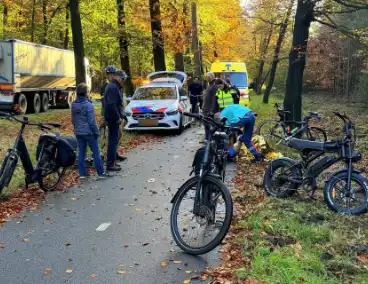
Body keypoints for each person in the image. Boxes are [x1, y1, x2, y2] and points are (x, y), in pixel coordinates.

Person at [71, 83, 110, 179]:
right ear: (86, 93)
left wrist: (76, 128)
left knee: (81, 153)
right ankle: (101, 173)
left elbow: (73, 120)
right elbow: (92, 121)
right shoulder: (88, 105)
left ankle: (82, 174)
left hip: (78, 132)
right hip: (89, 132)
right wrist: (96, 132)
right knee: (96, 152)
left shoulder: (73, 105)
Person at [103, 69, 128, 171]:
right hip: (113, 118)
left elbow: (117, 103)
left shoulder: (114, 86)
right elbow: (111, 104)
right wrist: (118, 117)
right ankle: (110, 164)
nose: (123, 80)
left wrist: (123, 115)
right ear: (117, 77)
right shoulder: (113, 87)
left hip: (113, 117)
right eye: (122, 78)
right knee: (113, 140)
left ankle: (113, 159)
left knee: (115, 138)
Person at [203, 72, 218, 141]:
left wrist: (212, 110)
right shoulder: (210, 85)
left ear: (211, 77)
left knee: (210, 125)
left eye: (207, 77)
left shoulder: (214, 86)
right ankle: (207, 138)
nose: (206, 78)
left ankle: (210, 139)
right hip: (206, 109)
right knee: (206, 124)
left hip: (210, 110)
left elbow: (214, 99)